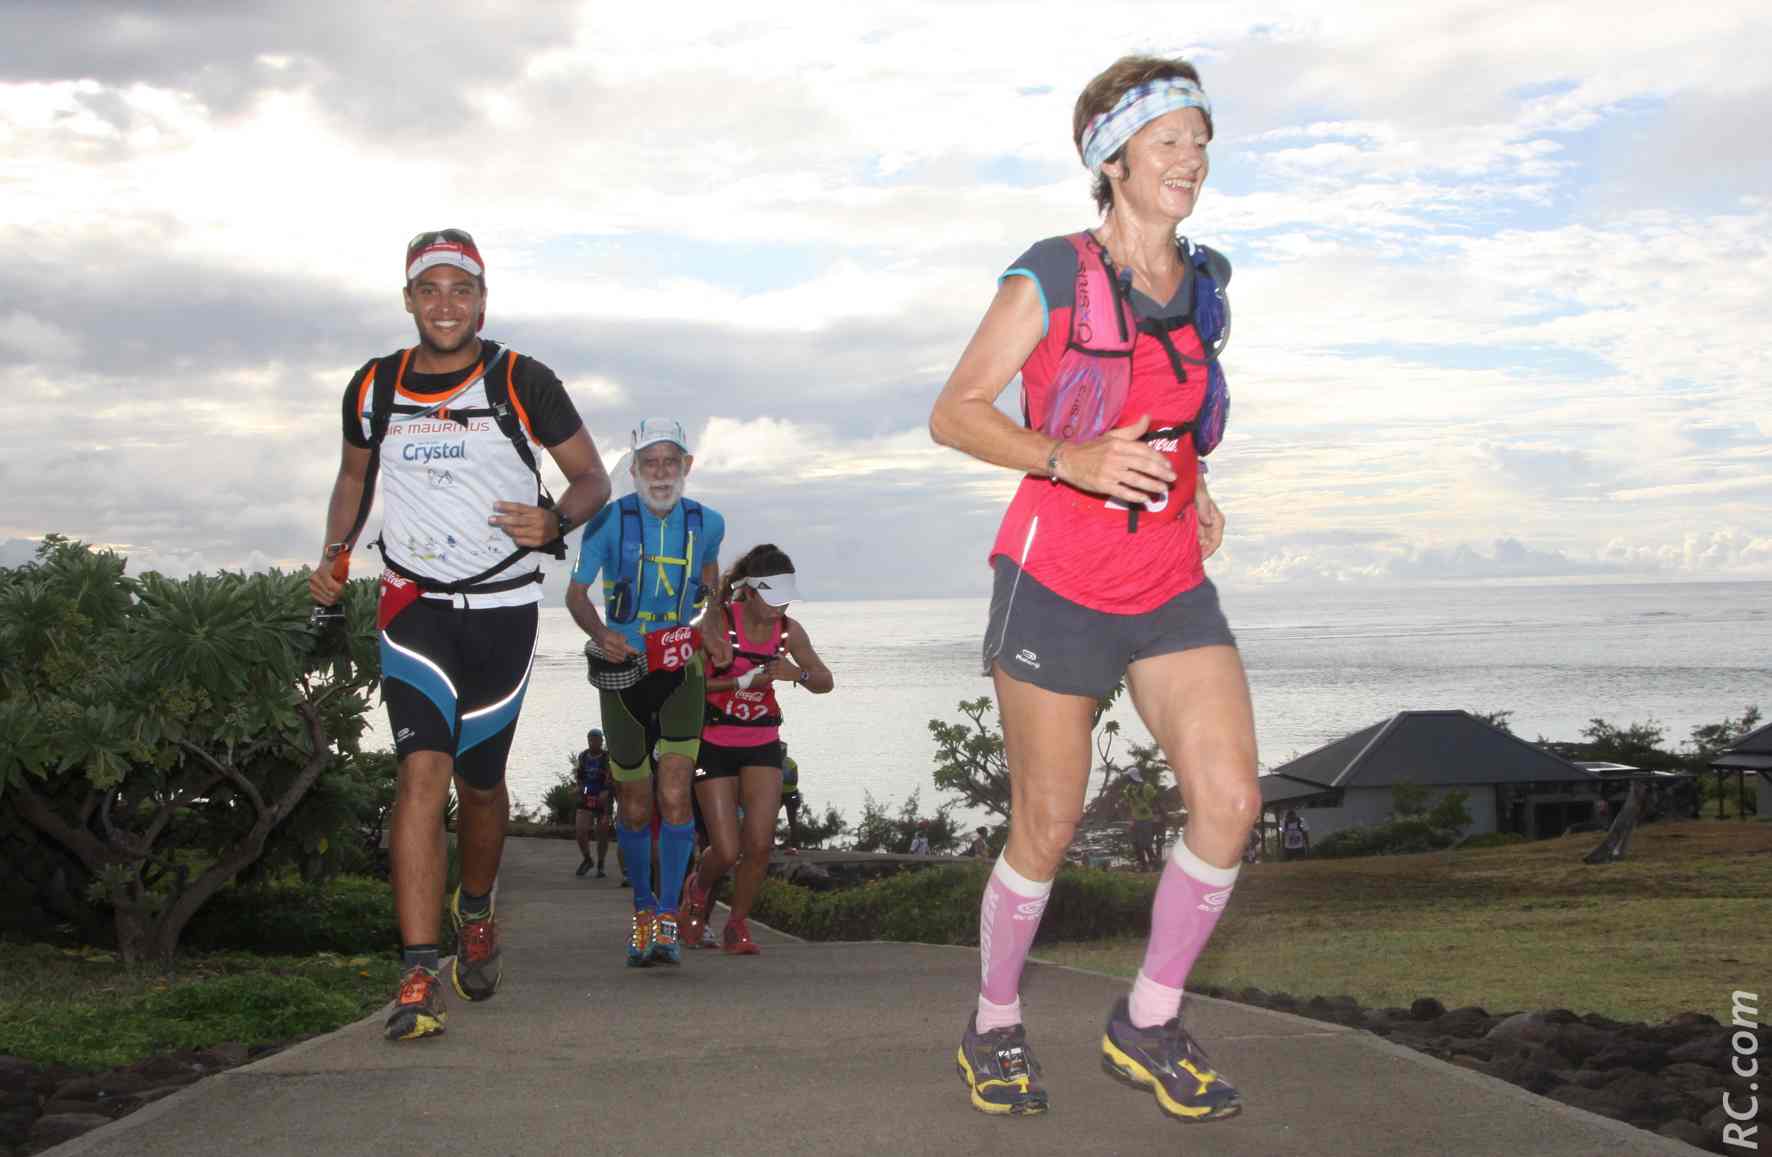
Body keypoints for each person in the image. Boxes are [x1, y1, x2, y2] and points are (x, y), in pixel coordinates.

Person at [928, 56, 1256, 1122]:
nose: (1189, 160)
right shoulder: (1049, 273)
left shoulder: (1202, 282)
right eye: (1168, 142)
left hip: (1166, 577)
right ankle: (990, 1021)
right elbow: (957, 411)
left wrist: (1196, 491)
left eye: (1198, 142)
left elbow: (1172, 412)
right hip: (1054, 578)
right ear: (1109, 160)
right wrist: (1067, 459)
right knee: (1047, 824)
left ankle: (1146, 1018)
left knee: (1230, 802)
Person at [309, 229, 611, 1041]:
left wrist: (555, 519)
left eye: (461, 288)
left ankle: (475, 909)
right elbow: (352, 477)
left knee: (479, 787)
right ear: (408, 298)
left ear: (483, 298)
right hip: (414, 609)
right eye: (429, 288)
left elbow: (593, 479)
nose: (446, 304)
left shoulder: (521, 379)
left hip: (505, 611)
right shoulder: (373, 387)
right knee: (420, 773)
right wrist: (337, 551)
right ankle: (416, 971)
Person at [566, 419, 728, 968]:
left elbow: (709, 576)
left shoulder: (709, 522)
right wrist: (601, 635)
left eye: (671, 462)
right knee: (635, 807)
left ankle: (667, 916)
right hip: (626, 672)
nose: (661, 473)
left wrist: (709, 616)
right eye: (650, 463)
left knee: (677, 795)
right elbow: (575, 594)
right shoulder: (608, 521)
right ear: (633, 469)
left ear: (687, 467)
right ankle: (641, 909)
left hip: (682, 668)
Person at [680, 546, 833, 955]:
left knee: (761, 844)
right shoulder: (716, 624)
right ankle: (699, 886)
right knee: (726, 849)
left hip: (762, 741)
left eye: (785, 597)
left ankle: (737, 924)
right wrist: (739, 683)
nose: (780, 605)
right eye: (773, 596)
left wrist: (794, 673)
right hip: (714, 740)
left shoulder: (789, 631)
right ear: (748, 590)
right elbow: (685, 687)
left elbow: (825, 680)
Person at [573, 729, 613, 877]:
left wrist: (607, 792)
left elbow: (610, 779)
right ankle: (587, 859)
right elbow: (579, 778)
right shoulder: (583, 756)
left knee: (602, 830)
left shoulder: (607, 758)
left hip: (603, 797)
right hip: (586, 795)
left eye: (596, 740)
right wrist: (581, 790)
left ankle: (601, 863)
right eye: (591, 739)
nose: (593, 742)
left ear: (601, 741)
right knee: (580, 830)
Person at [1123, 769, 1165, 870]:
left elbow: (1156, 799)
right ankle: (1144, 864)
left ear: (1133, 777)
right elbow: (1128, 803)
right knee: (1135, 843)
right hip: (1135, 819)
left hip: (1146, 819)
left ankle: (1154, 863)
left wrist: (1161, 814)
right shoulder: (1129, 788)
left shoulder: (1147, 787)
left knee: (1146, 844)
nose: (1127, 779)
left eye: (1128, 777)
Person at [778, 744, 804, 853]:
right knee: (770, 818)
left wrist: (781, 778)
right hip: (778, 794)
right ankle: (769, 844)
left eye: (782, 751)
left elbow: (794, 781)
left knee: (792, 819)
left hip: (791, 794)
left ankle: (795, 846)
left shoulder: (791, 763)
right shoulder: (773, 763)